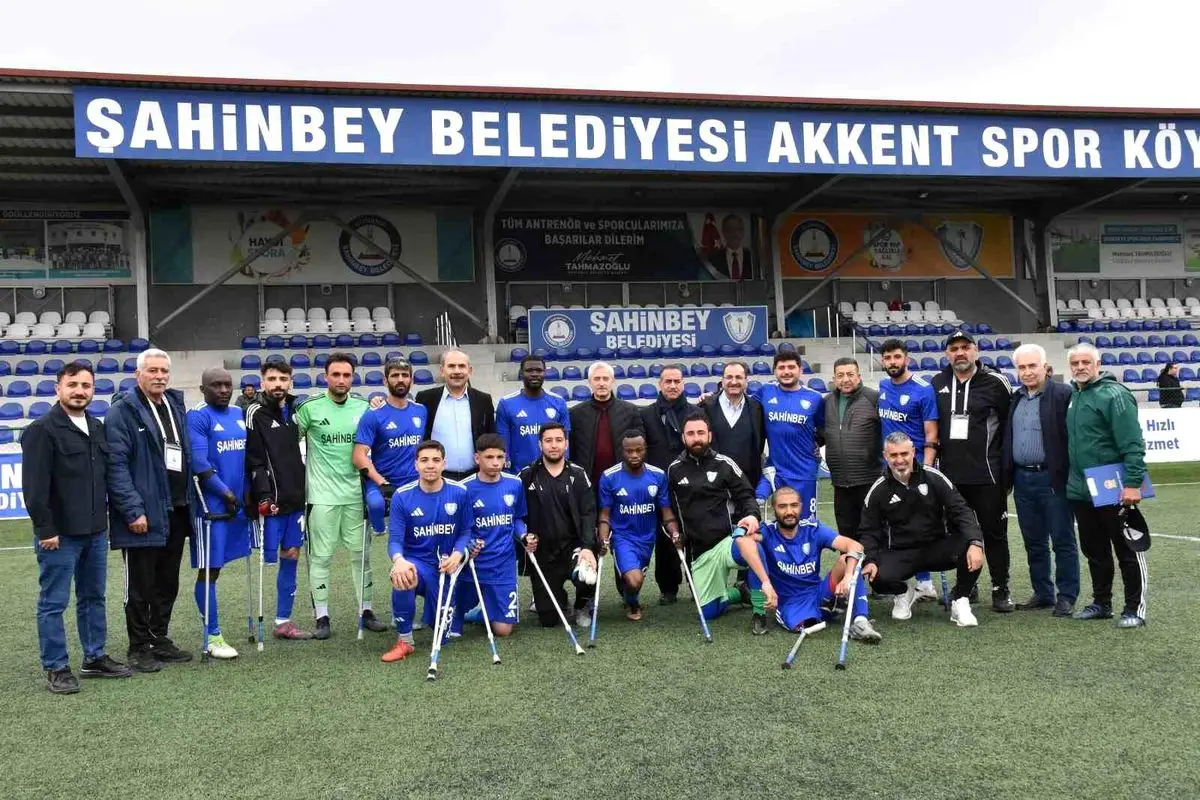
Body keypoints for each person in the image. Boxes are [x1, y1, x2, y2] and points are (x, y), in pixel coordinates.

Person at [24, 363, 131, 693]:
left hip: (96, 531)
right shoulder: (43, 429)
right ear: (58, 389)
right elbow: (34, 487)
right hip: (60, 535)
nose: (80, 391)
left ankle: (94, 657)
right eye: (72, 384)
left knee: (93, 597)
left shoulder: (97, 428)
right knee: (54, 603)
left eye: (86, 385)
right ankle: (56, 667)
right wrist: (46, 529)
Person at [106, 348, 195, 672]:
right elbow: (115, 466)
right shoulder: (122, 412)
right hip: (144, 513)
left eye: (163, 371)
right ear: (138, 374)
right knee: (140, 584)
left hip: (176, 509)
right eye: (152, 370)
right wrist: (132, 511)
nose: (159, 376)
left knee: (167, 581)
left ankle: (160, 637)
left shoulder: (173, 404)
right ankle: (138, 646)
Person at [296, 353, 385, 639]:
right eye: (336, 374)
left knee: (362, 556)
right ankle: (322, 616)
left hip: (356, 495)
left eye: (347, 375)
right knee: (320, 557)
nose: (341, 380)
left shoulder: (364, 408)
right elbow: (284, 444)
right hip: (321, 496)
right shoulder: (309, 409)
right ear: (326, 377)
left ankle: (366, 610)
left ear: (353, 377)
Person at [858, 432, 986, 627]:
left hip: (936, 547)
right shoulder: (879, 489)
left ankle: (960, 600)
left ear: (913, 452)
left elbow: (962, 510)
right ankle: (903, 592)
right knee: (876, 576)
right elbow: (868, 530)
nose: (900, 460)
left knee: (971, 548)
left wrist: (976, 543)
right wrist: (870, 559)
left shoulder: (933, 477)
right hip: (902, 552)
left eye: (904, 454)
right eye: (894, 455)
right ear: (885, 456)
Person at [1064, 343, 1149, 628]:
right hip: (1080, 489)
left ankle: (1134, 608)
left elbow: (1133, 443)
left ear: (1097, 363)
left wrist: (1133, 483)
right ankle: (1102, 603)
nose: (1080, 367)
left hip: (1113, 487)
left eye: (1086, 361)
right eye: (1075, 363)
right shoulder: (1075, 396)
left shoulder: (1114, 395)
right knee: (1095, 550)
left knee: (1127, 550)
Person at [931, 329, 1015, 613]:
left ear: (975, 350)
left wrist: (1007, 473)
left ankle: (1000, 588)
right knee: (959, 536)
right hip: (952, 478)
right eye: (954, 348)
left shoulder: (995, 382)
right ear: (947, 354)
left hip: (988, 476)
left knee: (994, 535)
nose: (960, 353)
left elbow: (1009, 428)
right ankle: (966, 587)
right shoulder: (937, 382)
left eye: (965, 347)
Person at [736, 486, 881, 642]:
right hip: (791, 603)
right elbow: (741, 540)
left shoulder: (813, 529)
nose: (789, 511)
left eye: (794, 505)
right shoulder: (767, 531)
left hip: (818, 593)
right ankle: (831, 609)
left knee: (849, 559)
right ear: (774, 509)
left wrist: (847, 576)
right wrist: (766, 582)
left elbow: (855, 546)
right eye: (782, 506)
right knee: (804, 624)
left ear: (801, 506)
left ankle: (860, 622)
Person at [665, 412, 764, 631]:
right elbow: (669, 511)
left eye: (701, 432)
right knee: (708, 612)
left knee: (753, 546)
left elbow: (747, 495)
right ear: (683, 438)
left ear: (709, 435)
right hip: (700, 550)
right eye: (691, 434)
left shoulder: (725, 464)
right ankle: (740, 593)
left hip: (727, 542)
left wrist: (751, 515)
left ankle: (760, 613)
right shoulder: (674, 470)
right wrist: (674, 533)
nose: (696, 438)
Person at [1003, 344, 1078, 616]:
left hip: (1053, 478)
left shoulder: (1062, 394)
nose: (1027, 372)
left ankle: (1067, 596)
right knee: (1033, 541)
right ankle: (1043, 592)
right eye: (1022, 367)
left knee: (1062, 539)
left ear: (1045, 366)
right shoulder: (1015, 398)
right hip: (1023, 480)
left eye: (1032, 365)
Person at [382, 440, 474, 662]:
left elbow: (466, 531)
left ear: (444, 464)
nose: (430, 465)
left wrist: (457, 554)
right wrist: (399, 561)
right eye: (424, 460)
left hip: (447, 567)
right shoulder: (402, 496)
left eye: (435, 460)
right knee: (403, 574)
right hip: (419, 564)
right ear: (416, 465)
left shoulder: (460, 492)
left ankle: (447, 613)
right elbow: (395, 540)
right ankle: (405, 640)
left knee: (442, 636)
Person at [186, 367, 252, 659]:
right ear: (203, 389)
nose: (224, 390)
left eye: (227, 385)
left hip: (237, 507)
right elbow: (199, 462)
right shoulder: (198, 415)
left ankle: (214, 633)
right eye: (216, 386)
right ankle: (212, 637)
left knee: (219, 568)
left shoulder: (238, 414)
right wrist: (225, 492)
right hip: (212, 508)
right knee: (209, 570)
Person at [244, 361, 313, 640]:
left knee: (292, 555)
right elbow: (254, 460)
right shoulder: (254, 413)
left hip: (296, 498)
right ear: (263, 383)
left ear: (290, 382)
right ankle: (256, 620)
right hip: (270, 501)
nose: (277, 384)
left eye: (283, 379)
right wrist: (262, 494)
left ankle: (283, 621)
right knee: (266, 560)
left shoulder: (298, 410)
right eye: (271, 379)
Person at [518, 422, 599, 628]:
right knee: (548, 619)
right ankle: (560, 599)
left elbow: (589, 513)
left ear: (566, 444)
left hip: (574, 547)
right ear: (540, 445)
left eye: (558, 440)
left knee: (586, 577)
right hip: (544, 553)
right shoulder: (527, 475)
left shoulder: (578, 474)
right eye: (548, 440)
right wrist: (525, 536)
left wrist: (588, 547)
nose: (554, 445)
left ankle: (582, 604)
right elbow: (517, 515)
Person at [877, 338, 940, 601]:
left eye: (897, 357)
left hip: (913, 469)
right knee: (892, 525)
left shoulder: (923, 390)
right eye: (888, 358)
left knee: (918, 526)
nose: (893, 362)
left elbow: (931, 434)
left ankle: (925, 583)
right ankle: (900, 582)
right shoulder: (882, 386)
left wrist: (924, 469)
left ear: (907, 359)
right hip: (888, 469)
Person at [597, 430, 678, 621]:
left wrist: (674, 532)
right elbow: (605, 515)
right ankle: (632, 603)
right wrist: (603, 538)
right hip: (622, 538)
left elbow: (666, 511)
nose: (634, 455)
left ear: (645, 450)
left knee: (636, 580)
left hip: (647, 538)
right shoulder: (609, 477)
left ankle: (630, 596)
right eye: (629, 451)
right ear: (622, 451)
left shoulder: (658, 476)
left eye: (638, 450)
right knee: (634, 580)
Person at [454, 433, 527, 636]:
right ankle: (469, 607)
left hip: (503, 564)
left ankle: (485, 609)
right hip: (472, 565)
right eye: (489, 457)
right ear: (477, 458)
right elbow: (459, 529)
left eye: (500, 457)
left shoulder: (515, 484)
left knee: (503, 631)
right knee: (451, 631)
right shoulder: (463, 489)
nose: (496, 463)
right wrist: (469, 545)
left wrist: (524, 536)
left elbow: (518, 519)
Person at [354, 357, 426, 534]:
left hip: (414, 480)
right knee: (376, 505)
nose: (400, 379)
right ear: (385, 381)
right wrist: (382, 482)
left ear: (412, 380)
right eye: (395, 375)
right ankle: (379, 530)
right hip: (383, 481)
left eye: (405, 375)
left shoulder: (421, 410)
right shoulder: (373, 415)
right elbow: (358, 456)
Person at [639, 364, 691, 602]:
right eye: (667, 381)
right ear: (659, 384)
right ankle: (668, 588)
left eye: (676, 381)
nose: (672, 385)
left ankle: (697, 584)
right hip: (659, 486)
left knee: (694, 534)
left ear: (683, 384)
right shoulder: (646, 414)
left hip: (691, 484)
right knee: (664, 538)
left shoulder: (696, 412)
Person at [754, 350, 824, 522]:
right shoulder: (765, 392)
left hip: (804, 473)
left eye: (791, 367)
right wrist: (711, 397)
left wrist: (817, 444)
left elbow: (825, 429)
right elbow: (741, 405)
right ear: (774, 371)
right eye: (781, 367)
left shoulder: (814, 398)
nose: (786, 371)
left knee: (805, 524)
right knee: (756, 505)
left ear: (801, 370)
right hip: (775, 470)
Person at [819, 357, 881, 540]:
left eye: (850, 374)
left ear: (859, 376)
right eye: (840, 375)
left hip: (869, 481)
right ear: (834, 379)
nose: (845, 379)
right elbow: (821, 433)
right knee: (846, 537)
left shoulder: (873, 398)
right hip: (840, 484)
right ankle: (851, 569)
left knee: (873, 535)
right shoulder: (827, 402)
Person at [417, 349, 495, 481]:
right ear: (442, 371)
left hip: (475, 477)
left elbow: (491, 436)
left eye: (462, 366)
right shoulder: (425, 399)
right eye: (451, 366)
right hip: (438, 479)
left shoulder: (483, 400)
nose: (457, 371)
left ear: (470, 371)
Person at [569, 361, 643, 487]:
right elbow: (572, 449)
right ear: (590, 382)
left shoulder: (630, 411)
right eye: (597, 379)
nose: (601, 383)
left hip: (622, 479)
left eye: (605, 378)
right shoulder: (575, 414)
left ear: (612, 381)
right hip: (587, 481)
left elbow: (641, 447)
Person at [496, 353, 570, 472]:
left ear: (544, 373)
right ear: (521, 373)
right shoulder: (506, 403)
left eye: (539, 370)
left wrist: (563, 471)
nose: (534, 374)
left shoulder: (559, 402)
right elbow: (503, 445)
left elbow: (565, 442)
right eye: (529, 370)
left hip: (551, 474)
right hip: (519, 474)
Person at [701, 361, 766, 491]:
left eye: (739, 377)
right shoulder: (705, 406)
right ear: (722, 380)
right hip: (712, 484)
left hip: (747, 484)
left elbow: (759, 445)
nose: (734, 381)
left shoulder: (757, 408)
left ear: (746, 381)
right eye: (729, 377)